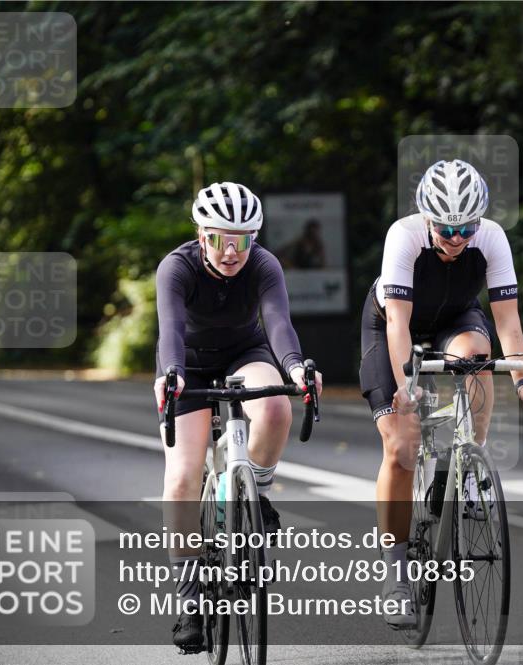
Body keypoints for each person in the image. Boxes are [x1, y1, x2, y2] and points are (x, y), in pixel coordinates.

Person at [359, 160, 523, 628]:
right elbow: (399, 325)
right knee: (402, 448)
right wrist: (405, 389)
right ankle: (396, 574)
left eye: (466, 226)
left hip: (455, 319)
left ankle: (470, 460)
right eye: (446, 227)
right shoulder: (403, 236)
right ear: (428, 218)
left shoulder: (491, 238)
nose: (457, 236)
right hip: (392, 325)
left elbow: (506, 321)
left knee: (476, 355)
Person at [153, 181, 322, 649]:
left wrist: (296, 368)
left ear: (255, 238)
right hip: (186, 362)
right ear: (200, 234)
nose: (231, 251)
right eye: (218, 239)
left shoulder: (265, 265)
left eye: (242, 239)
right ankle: (189, 599)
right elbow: (170, 328)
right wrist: (171, 373)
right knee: (183, 477)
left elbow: (279, 323)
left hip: (243, 353)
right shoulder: (177, 267)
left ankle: (258, 495)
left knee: (273, 406)